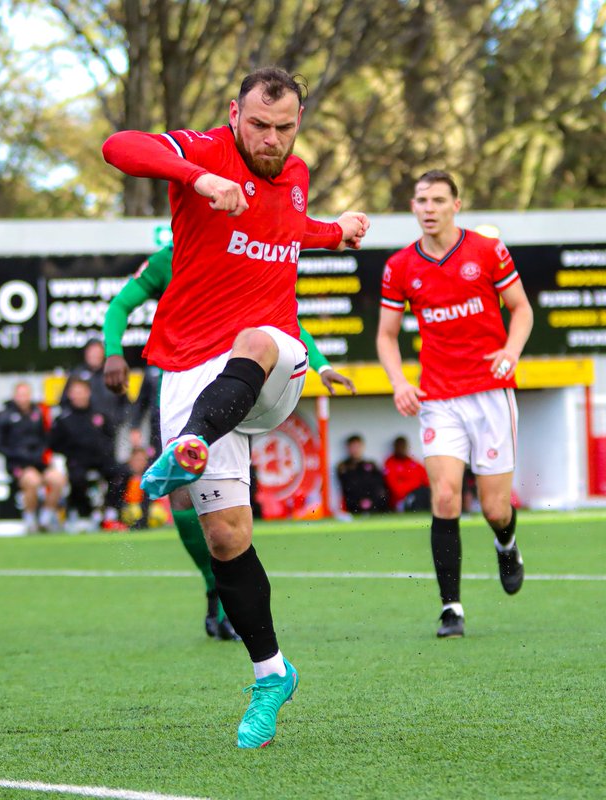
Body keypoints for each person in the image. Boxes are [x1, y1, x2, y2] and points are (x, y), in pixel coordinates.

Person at [103, 66, 368, 748]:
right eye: (259, 125)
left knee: (257, 338)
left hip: (270, 360)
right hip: (191, 370)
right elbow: (118, 145)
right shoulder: (199, 151)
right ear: (234, 113)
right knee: (227, 538)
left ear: (299, 123)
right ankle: (272, 673)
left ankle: (188, 443)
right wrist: (198, 178)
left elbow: (288, 228)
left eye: (285, 128)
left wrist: (335, 231)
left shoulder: (297, 172)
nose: (272, 140)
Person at [103, 243, 355, 642]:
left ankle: (227, 598)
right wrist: (113, 352)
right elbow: (119, 306)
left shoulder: (245, 249)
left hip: (230, 383)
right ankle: (212, 585)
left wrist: (321, 365)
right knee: (183, 498)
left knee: (223, 506)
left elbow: (284, 320)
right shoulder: (169, 258)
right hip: (180, 377)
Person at [375, 169, 533, 640]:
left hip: (490, 393)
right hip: (439, 399)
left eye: (438, 200)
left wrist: (510, 351)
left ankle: (506, 543)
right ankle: (451, 608)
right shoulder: (401, 265)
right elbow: (385, 335)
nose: (428, 208)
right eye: (421, 200)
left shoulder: (486, 251)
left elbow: (521, 308)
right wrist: (400, 381)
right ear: (413, 207)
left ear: (456, 205)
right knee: (444, 496)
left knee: (493, 508)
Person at [48, 377, 130, 532]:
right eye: (75, 393)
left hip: (101, 460)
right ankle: (84, 513)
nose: (79, 396)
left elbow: (110, 435)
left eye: (82, 392)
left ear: (88, 393)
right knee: (77, 478)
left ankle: (110, 510)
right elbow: (54, 444)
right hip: (77, 461)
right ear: (70, 395)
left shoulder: (99, 414)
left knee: (122, 472)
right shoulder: (64, 418)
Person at [0, 381, 66, 532]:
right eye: (20, 395)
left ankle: (47, 515)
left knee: (58, 479)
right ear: (15, 396)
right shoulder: (5, 416)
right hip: (18, 465)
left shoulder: (38, 413)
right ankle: (30, 517)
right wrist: (16, 454)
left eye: (26, 394)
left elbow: (45, 437)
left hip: (39, 462)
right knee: (33, 481)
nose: (23, 398)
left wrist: (42, 452)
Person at [335, 434, 388, 514]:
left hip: (373, 502)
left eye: (357, 446)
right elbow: (348, 487)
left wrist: (370, 500)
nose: (355, 450)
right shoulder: (343, 466)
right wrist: (361, 501)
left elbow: (378, 484)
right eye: (353, 447)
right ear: (348, 448)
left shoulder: (371, 464)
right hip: (353, 504)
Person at [383, 435, 431, 512]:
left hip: (417, 496)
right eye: (400, 446)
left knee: (428, 493)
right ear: (395, 447)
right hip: (401, 501)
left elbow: (428, 481)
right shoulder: (390, 463)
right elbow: (396, 489)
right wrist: (417, 484)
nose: (402, 449)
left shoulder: (413, 462)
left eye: (404, 446)